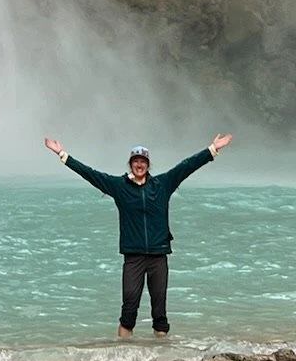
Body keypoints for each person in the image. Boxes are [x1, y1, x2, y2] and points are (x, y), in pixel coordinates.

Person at [44, 133, 233, 338]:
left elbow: (187, 166)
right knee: (128, 311)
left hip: (158, 255)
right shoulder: (119, 187)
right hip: (133, 257)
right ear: (130, 164)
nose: (139, 165)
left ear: (148, 165)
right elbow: (90, 174)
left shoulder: (162, 184)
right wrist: (62, 154)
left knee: (160, 312)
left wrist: (213, 149)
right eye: (136, 161)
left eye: (143, 161)